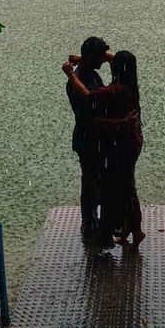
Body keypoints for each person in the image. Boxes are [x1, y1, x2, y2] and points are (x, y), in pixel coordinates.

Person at [63, 50, 145, 251]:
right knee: (125, 186)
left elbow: (87, 94)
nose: (107, 62)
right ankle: (126, 229)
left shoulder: (117, 89)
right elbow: (112, 57)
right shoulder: (129, 81)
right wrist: (82, 59)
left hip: (126, 145)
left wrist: (70, 73)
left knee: (127, 188)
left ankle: (136, 230)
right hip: (132, 142)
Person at [65, 36, 112, 242]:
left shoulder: (89, 72)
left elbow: (114, 59)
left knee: (98, 180)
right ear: (92, 57)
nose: (104, 61)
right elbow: (90, 100)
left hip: (95, 137)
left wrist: (83, 58)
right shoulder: (78, 80)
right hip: (88, 138)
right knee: (91, 182)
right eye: (100, 57)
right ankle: (89, 225)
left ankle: (97, 223)